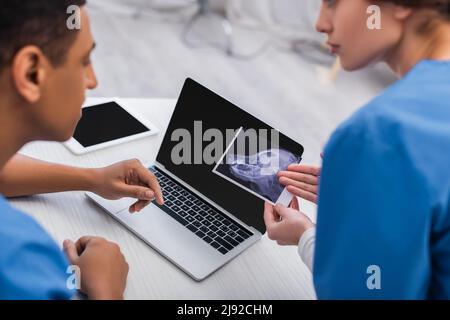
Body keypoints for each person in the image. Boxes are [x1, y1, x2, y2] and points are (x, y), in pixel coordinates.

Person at [264, 0, 450, 299]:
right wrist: (373, 197)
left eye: (333, 3)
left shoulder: (380, 135)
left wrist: (305, 237)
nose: (321, 24)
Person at [0, 0, 162, 299]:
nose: (92, 80)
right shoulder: (19, 259)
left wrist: (93, 178)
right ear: (32, 72)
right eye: (83, 61)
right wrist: (106, 290)